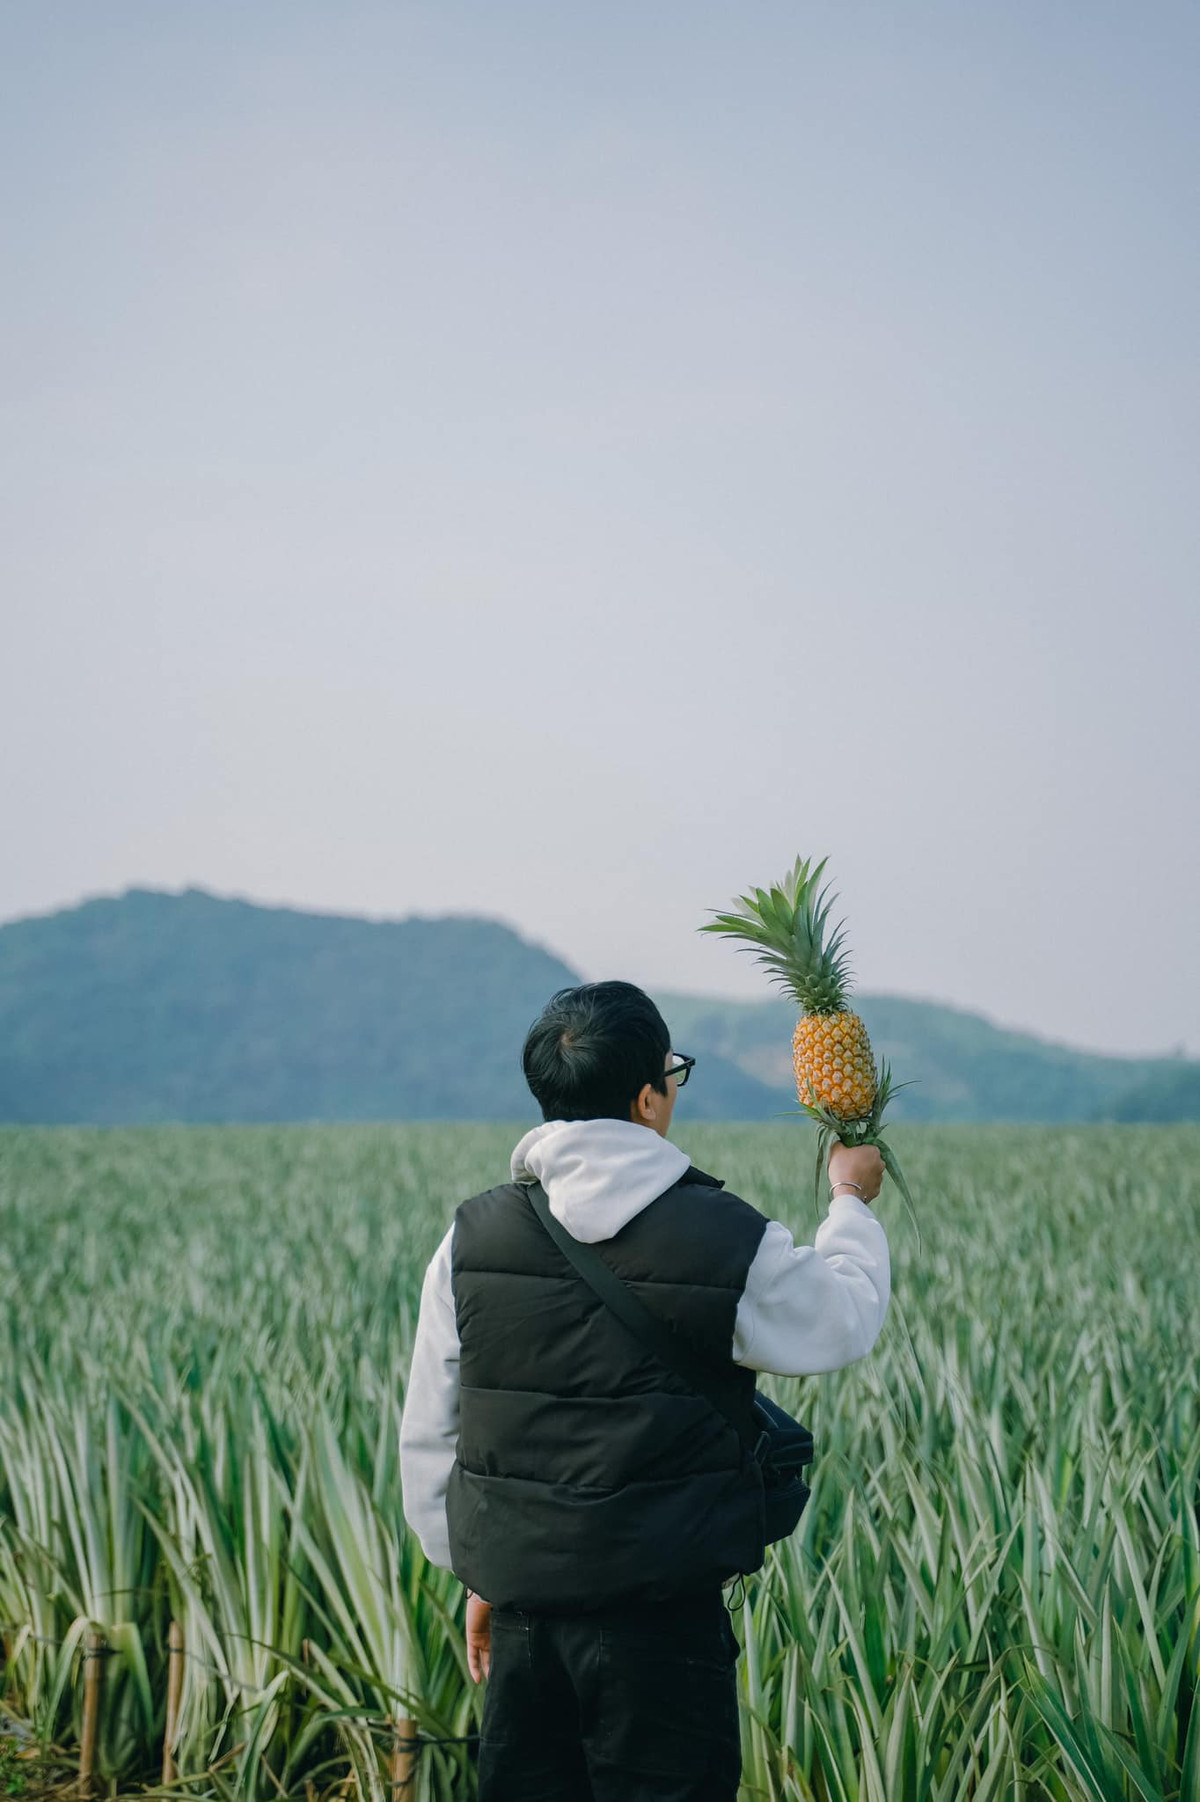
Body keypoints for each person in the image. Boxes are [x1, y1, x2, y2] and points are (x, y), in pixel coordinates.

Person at [399, 981, 889, 1801]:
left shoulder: (470, 1238)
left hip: (524, 1622)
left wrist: (484, 1578)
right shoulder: (725, 1235)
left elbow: (432, 1434)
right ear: (647, 1098)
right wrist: (850, 1200)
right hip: (663, 1633)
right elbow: (838, 1320)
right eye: (674, 1073)